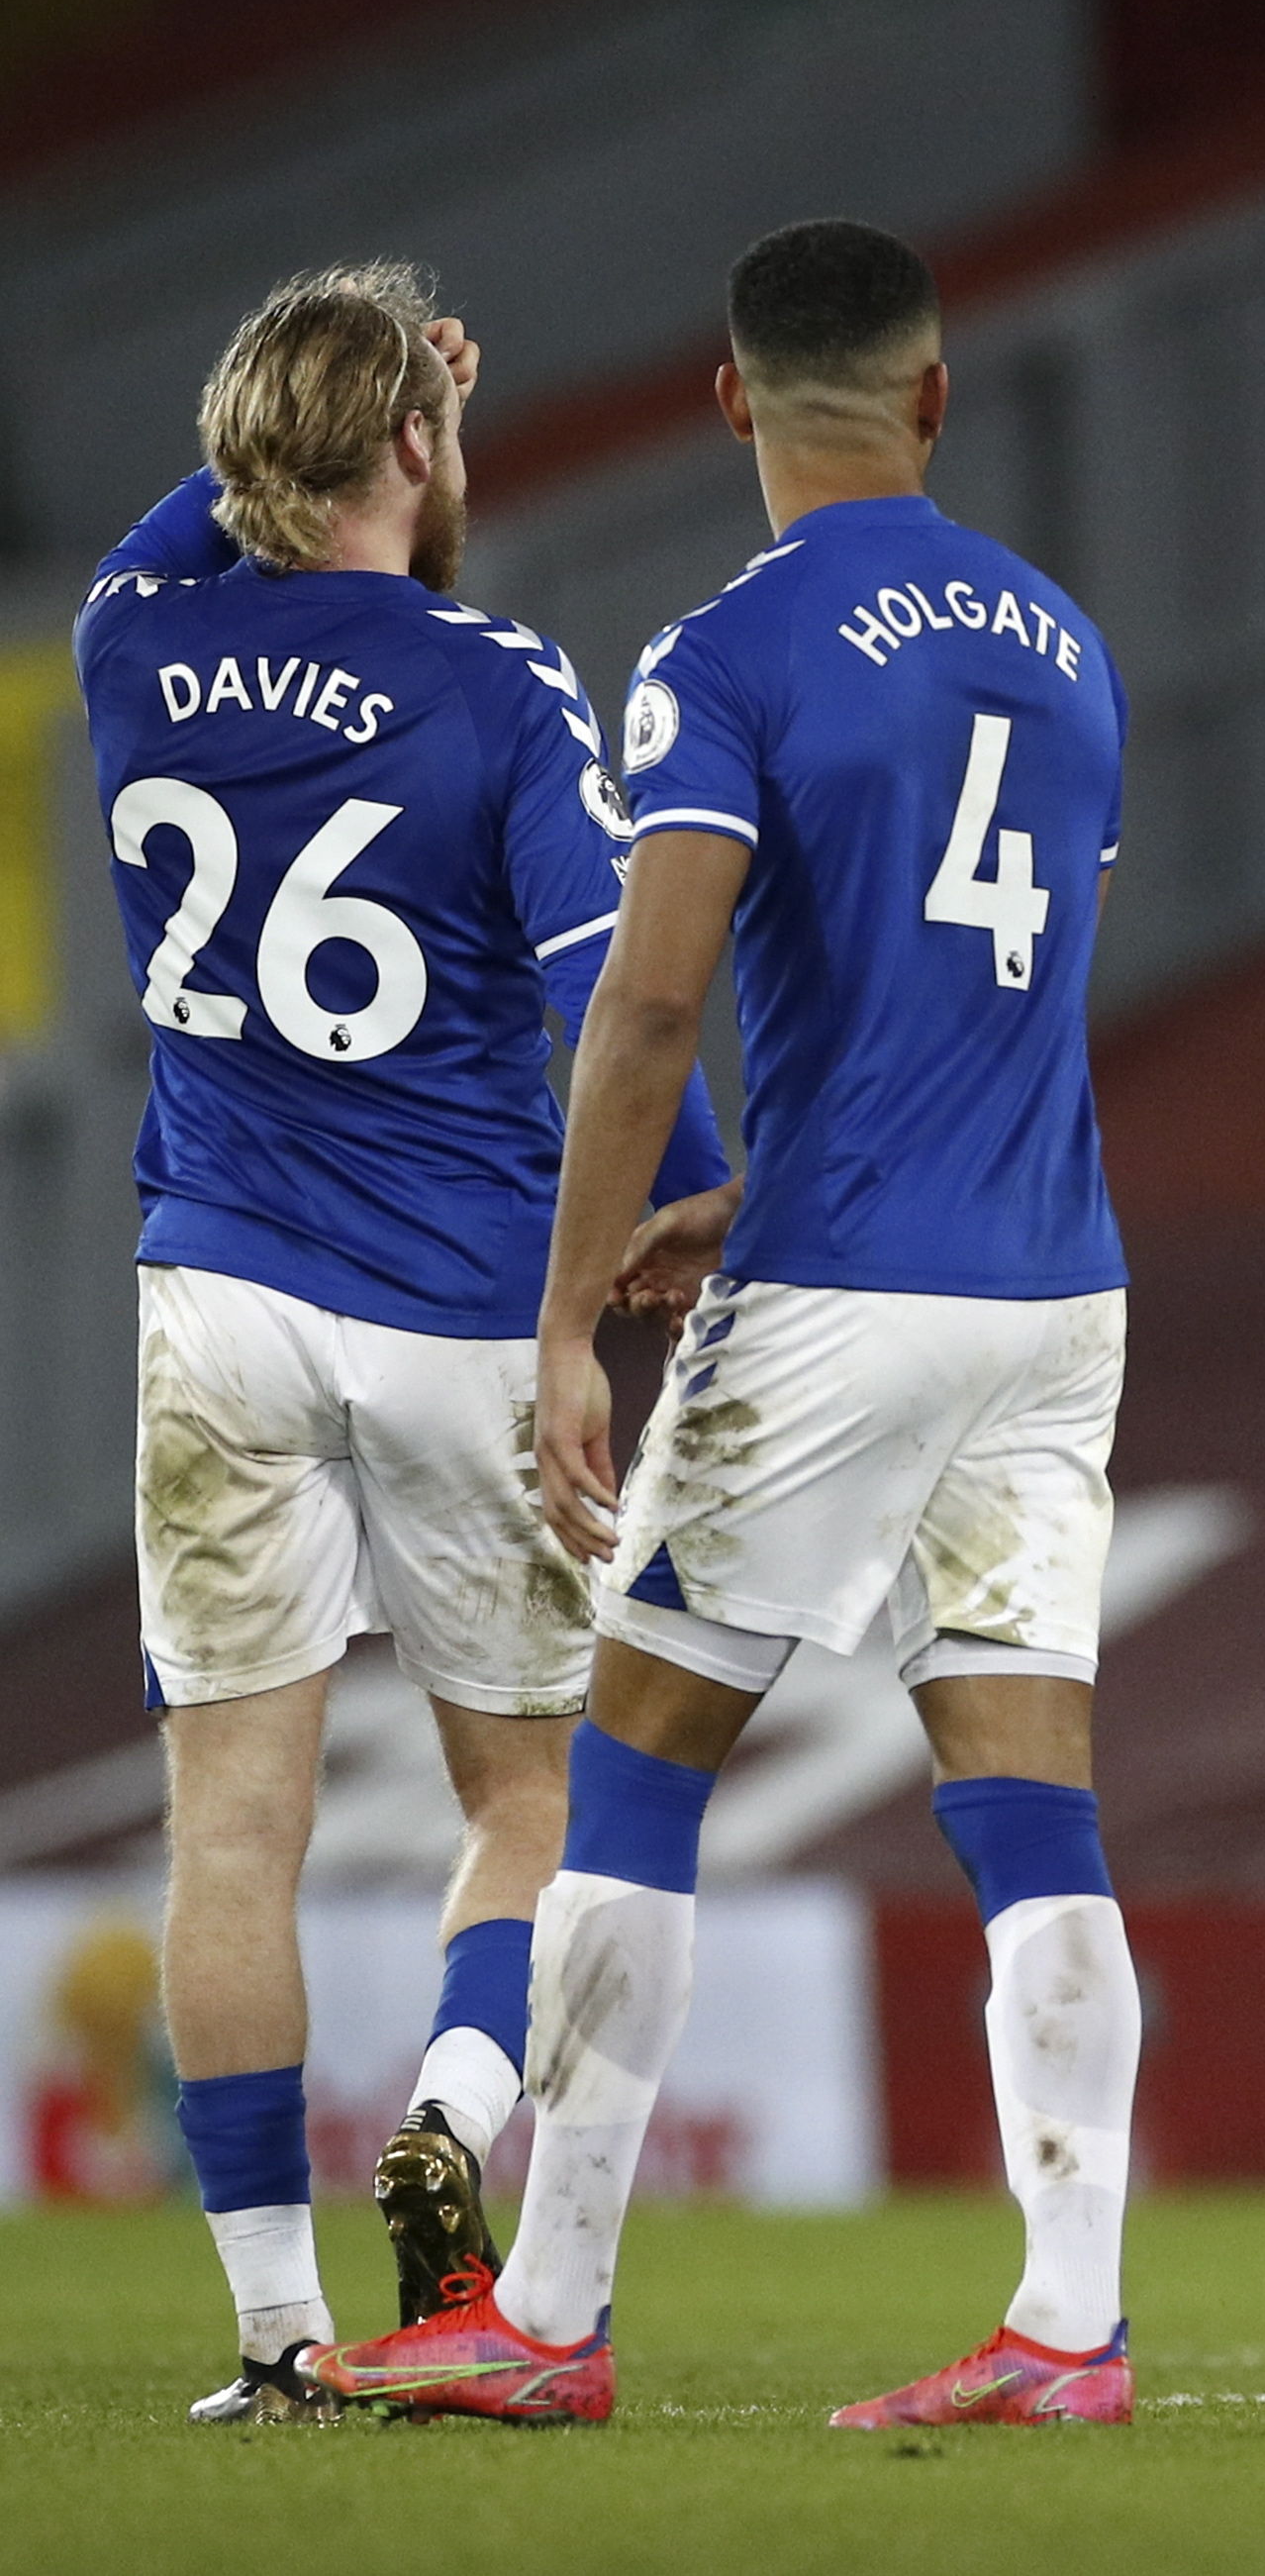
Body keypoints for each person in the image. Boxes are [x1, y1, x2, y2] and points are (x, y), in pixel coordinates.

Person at [316, 220, 1140, 2429]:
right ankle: (1071, 2320)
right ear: (937, 398)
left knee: (635, 1772)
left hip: (845, 1293)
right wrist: (749, 1196)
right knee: (1030, 1802)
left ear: (729, 402)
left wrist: (575, 1299)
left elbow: (652, 992)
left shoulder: (727, 650)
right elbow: (986, 1002)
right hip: (1053, 1287)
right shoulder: (1067, 647)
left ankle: (548, 2313)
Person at [75, 268, 730, 2424]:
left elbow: (169, 539)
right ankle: (452, 2101)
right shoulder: (490, 683)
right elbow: (607, 984)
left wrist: (317, 405)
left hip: (220, 1297)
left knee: (231, 1833)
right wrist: (683, 1195)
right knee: (525, 1784)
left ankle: (270, 2335)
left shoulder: (131, 645)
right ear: (420, 451)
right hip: (457, 1304)